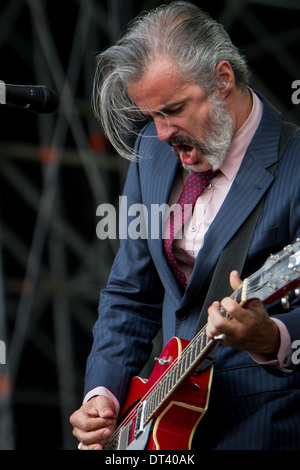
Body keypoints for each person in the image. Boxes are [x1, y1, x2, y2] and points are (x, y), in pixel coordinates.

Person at [70, 1, 300, 450]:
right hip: (161, 422)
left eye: (172, 110)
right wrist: (103, 396)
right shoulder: (154, 156)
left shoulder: (295, 163)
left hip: (266, 422)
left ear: (222, 79)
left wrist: (273, 336)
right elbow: (129, 294)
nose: (159, 133)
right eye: (151, 115)